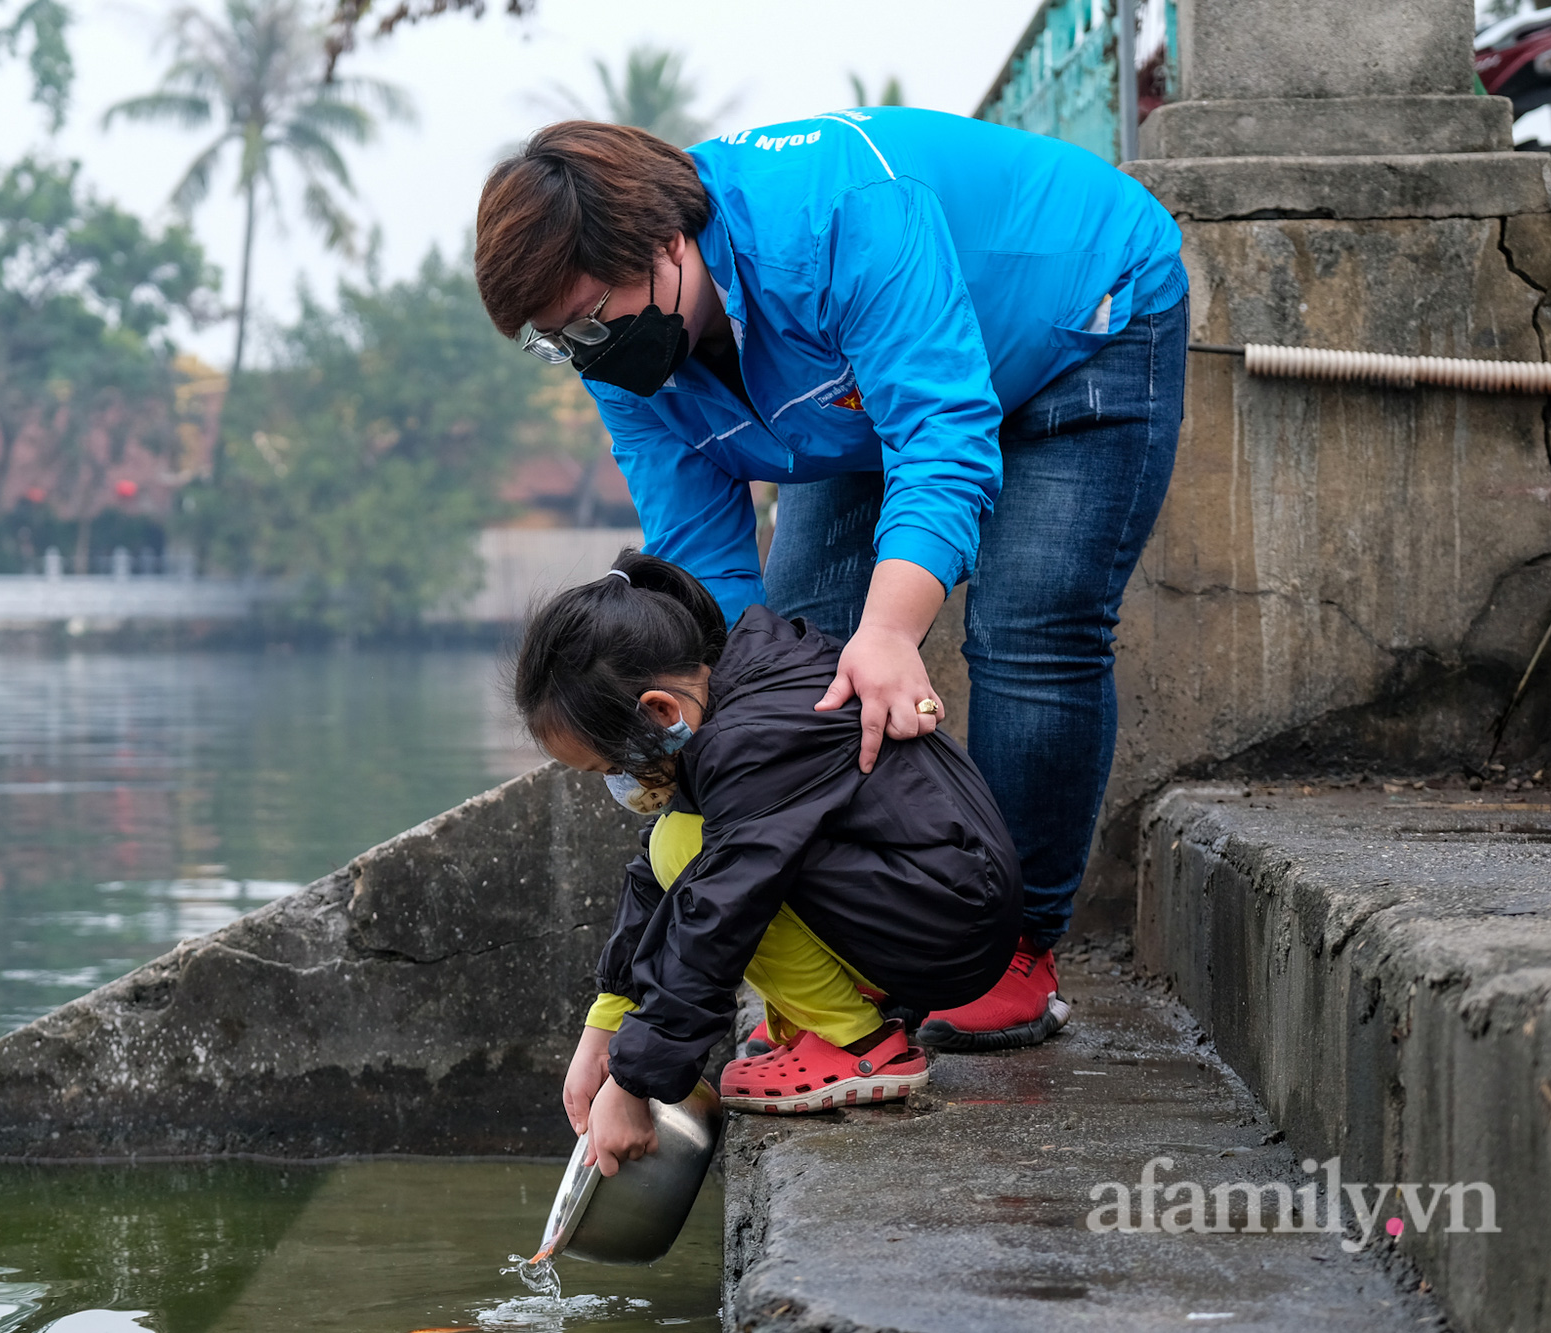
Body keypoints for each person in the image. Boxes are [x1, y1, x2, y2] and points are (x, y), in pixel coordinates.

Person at [476, 108, 1187, 1049]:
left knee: (1028, 625)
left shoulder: (842, 214)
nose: (587, 357)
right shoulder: (627, 365)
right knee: (795, 651)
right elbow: (702, 561)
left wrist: (891, 631)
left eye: (592, 321)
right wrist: (705, 748)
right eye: (561, 340)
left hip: (1076, 319)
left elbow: (942, 439)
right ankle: (845, 945)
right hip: (854, 396)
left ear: (665, 241)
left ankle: (1018, 948)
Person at [516, 550, 1021, 1166]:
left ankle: (859, 1045)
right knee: (675, 844)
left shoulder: (749, 741)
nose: (621, 784)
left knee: (690, 850)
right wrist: (607, 1021)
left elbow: (722, 910)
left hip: (949, 928)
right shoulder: (741, 680)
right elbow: (657, 882)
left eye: (613, 766)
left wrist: (634, 1081)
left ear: (658, 710)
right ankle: (831, 1015)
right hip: (934, 903)